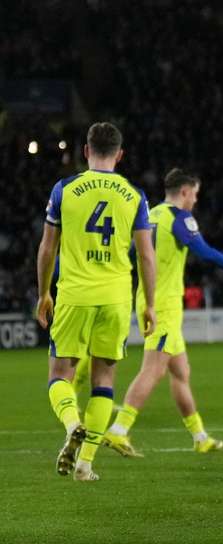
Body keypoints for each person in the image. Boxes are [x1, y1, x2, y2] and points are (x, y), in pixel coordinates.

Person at [102, 169, 223, 456]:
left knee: (181, 372)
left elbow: (129, 254)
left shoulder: (150, 215)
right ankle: (119, 430)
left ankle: (199, 437)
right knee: (153, 370)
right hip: (162, 306)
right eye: (195, 194)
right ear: (185, 191)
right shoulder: (179, 217)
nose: (196, 201)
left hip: (150, 298)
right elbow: (206, 252)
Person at [36, 122, 156, 481]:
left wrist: (44, 292)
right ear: (119, 155)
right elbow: (146, 255)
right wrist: (149, 303)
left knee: (60, 374)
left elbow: (47, 247)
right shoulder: (134, 196)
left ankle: (73, 423)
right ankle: (86, 464)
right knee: (104, 380)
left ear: (86, 151)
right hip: (116, 297)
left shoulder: (65, 189)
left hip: (74, 294)